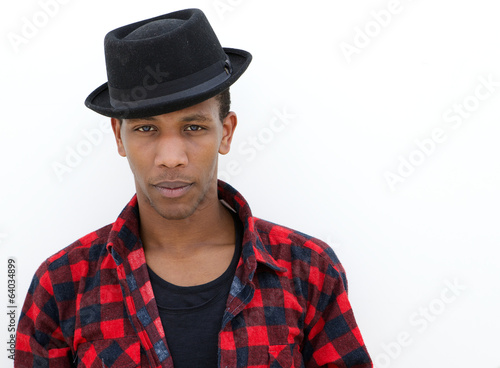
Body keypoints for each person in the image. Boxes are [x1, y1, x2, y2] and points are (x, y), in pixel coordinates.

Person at [15, 8, 373, 368]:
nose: (171, 158)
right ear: (118, 137)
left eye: (193, 127)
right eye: (145, 129)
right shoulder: (61, 285)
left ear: (226, 132)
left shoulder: (308, 269)